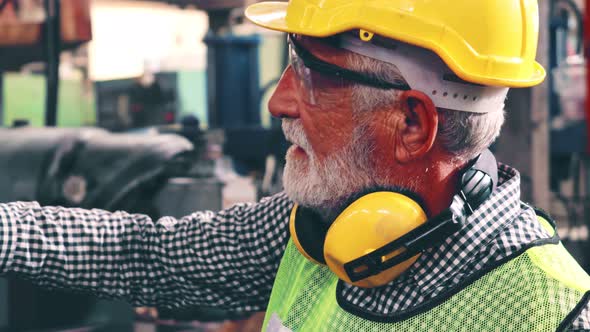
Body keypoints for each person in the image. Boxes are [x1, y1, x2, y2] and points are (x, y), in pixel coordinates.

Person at [0, 0, 589, 331]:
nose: (278, 100)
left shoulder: (548, 314)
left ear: (412, 123)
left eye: (309, 74)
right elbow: (147, 255)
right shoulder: (316, 229)